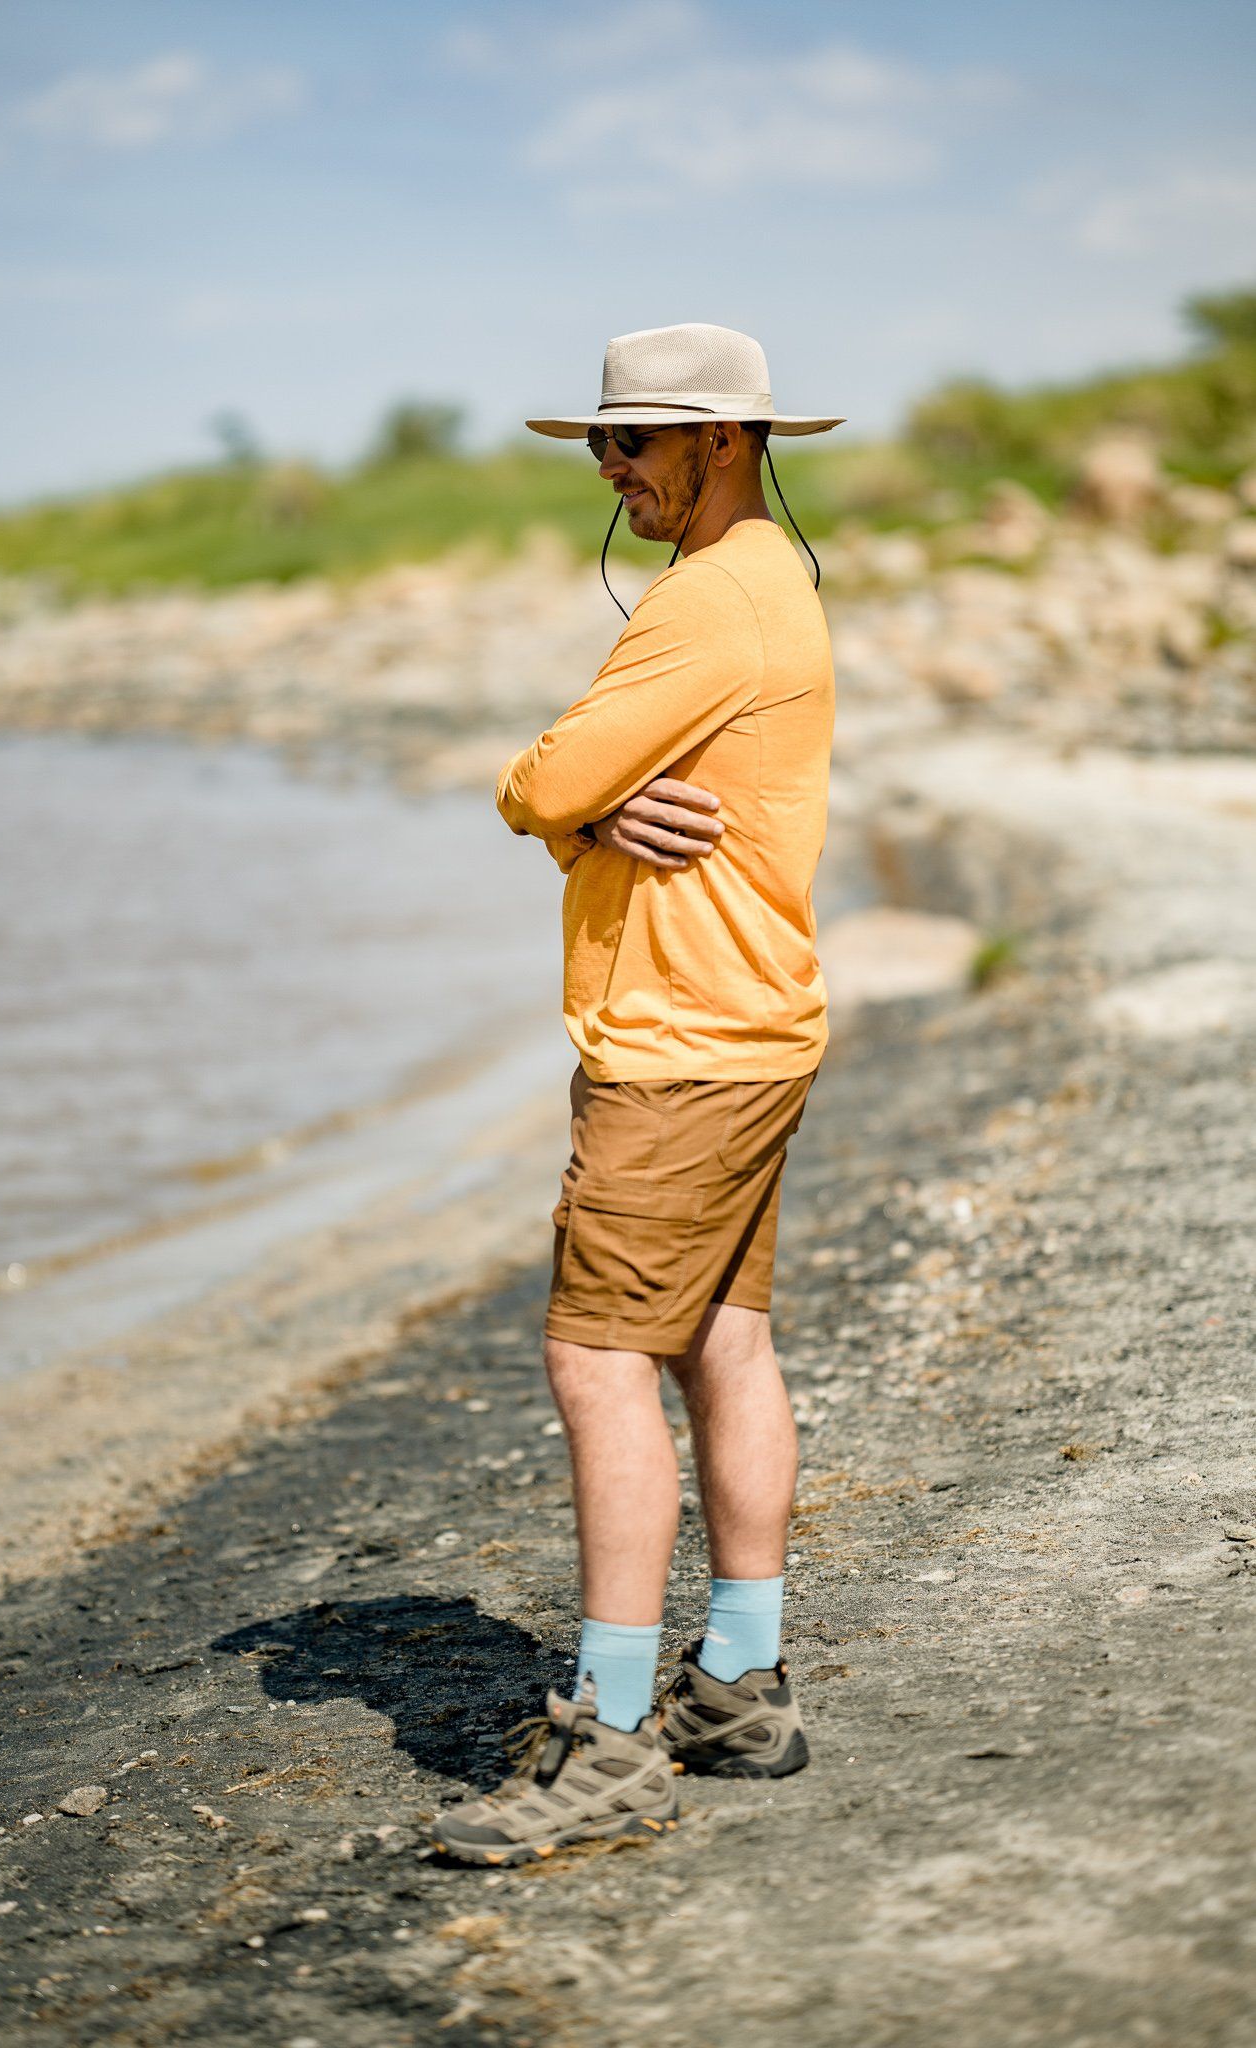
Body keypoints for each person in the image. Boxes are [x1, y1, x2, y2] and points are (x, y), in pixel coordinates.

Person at [431, 323, 845, 1865]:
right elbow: (586, 796)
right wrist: (599, 807)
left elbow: (535, 779)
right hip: (751, 1024)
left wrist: (578, 801)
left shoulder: (703, 608)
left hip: (678, 1047)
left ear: (725, 440)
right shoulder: (771, 585)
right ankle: (739, 1686)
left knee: (598, 1364)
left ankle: (604, 1739)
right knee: (722, 1340)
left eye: (631, 444)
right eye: (597, 447)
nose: (606, 472)